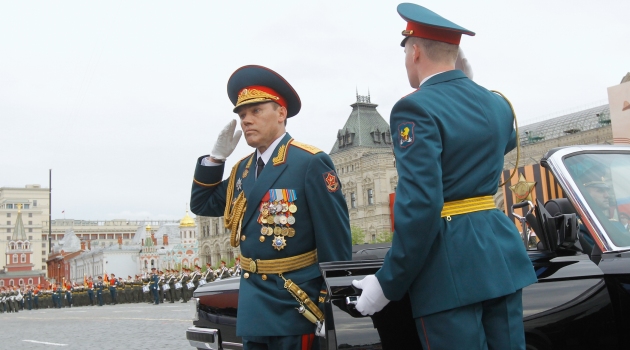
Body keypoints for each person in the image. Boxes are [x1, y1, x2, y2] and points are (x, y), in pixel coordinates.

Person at [351, 4, 537, 350]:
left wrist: (387, 282)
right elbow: (504, 139)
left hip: (449, 268)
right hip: (499, 257)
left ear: (415, 51)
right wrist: (469, 87)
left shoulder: (415, 108)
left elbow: (421, 205)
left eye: (406, 51)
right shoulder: (496, 103)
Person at [190, 64, 351, 349]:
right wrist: (215, 159)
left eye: (256, 111)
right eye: (242, 115)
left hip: (295, 303)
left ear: (281, 112)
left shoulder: (309, 162)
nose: (246, 121)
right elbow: (202, 203)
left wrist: (331, 302)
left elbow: (335, 241)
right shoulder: (243, 170)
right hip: (254, 304)